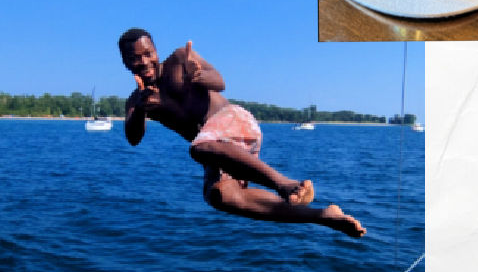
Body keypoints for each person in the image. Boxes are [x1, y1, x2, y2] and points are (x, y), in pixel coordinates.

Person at [118, 28, 366, 238]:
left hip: (233, 121)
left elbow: (220, 82)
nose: (143, 62)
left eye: (147, 53)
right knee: (220, 196)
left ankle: (286, 185)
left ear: (156, 51)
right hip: (220, 149)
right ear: (125, 62)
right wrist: (140, 109)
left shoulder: (180, 60)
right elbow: (133, 138)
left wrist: (200, 75)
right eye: (134, 58)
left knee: (200, 147)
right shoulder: (136, 100)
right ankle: (324, 216)